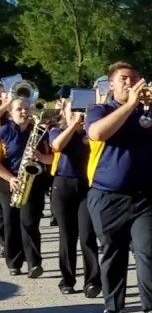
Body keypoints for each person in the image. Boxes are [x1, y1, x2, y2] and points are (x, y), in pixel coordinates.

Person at [87, 61, 152, 313]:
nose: (131, 83)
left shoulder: (149, 112)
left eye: (135, 78)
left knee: (149, 251)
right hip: (108, 195)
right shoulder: (100, 110)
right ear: (112, 84)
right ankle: (112, 307)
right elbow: (97, 133)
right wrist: (129, 106)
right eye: (124, 78)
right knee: (112, 253)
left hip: (146, 196)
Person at [48, 98, 101, 297]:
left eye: (81, 111)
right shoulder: (57, 130)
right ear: (65, 112)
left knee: (88, 235)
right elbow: (57, 146)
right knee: (67, 236)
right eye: (73, 111)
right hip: (63, 185)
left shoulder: (91, 133)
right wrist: (72, 126)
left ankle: (93, 281)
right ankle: (67, 279)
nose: (78, 114)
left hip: (87, 186)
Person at [0, 97, 52, 277]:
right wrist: (11, 178)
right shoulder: (3, 131)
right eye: (19, 109)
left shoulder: (39, 131)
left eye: (26, 109)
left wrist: (40, 156)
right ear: (10, 113)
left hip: (34, 181)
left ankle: (34, 263)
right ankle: (14, 261)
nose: (24, 112)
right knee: (11, 222)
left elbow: (52, 157)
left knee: (30, 223)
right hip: (8, 180)